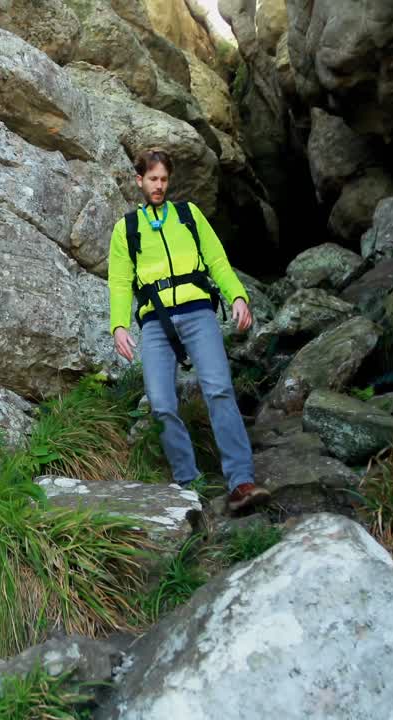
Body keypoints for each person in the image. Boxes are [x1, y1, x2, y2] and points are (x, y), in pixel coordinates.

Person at [107, 148, 270, 515]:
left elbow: (216, 261)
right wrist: (118, 325)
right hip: (155, 322)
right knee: (162, 404)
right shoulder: (126, 229)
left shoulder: (188, 215)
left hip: (198, 313)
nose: (159, 186)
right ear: (140, 181)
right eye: (152, 179)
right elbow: (119, 282)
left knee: (219, 390)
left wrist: (238, 297)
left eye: (164, 179)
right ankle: (188, 483)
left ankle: (240, 481)